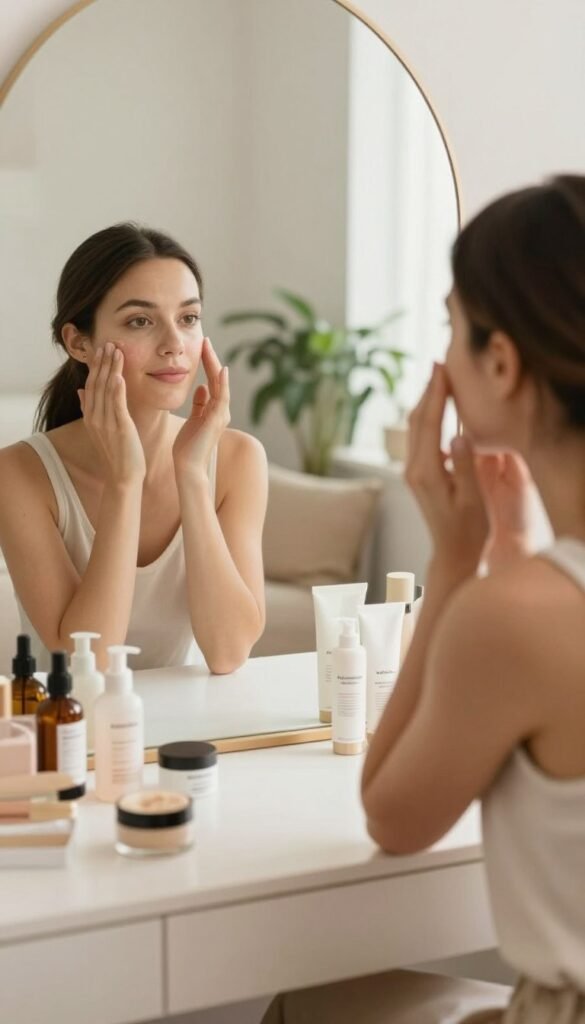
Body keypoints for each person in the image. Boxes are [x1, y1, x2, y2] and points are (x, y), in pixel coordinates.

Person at [263, 175, 585, 1022]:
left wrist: (453, 564)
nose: (441, 353)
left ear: (502, 361)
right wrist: (515, 551)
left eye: (451, 325)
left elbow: (391, 817)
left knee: (300, 1004)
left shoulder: (510, 620)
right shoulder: (531, 605)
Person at [0, 223, 267, 672]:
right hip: (68, 731)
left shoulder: (239, 460)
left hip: (189, 729)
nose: (174, 345)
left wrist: (193, 477)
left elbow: (228, 653)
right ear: (78, 342)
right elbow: (90, 663)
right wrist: (126, 482)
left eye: (188, 318)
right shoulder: (18, 474)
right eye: (140, 321)